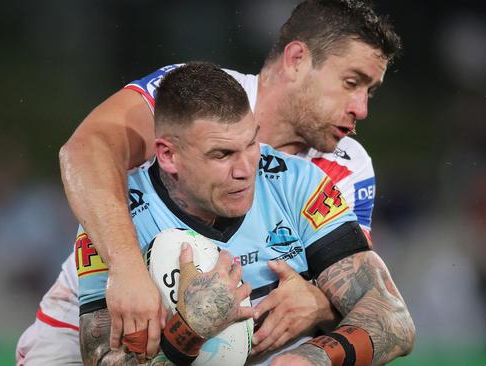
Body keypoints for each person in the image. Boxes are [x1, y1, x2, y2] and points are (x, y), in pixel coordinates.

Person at [16, 0, 406, 364]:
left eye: (370, 91)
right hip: (90, 327)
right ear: (298, 60)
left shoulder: (347, 166)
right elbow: (86, 150)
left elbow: (357, 294)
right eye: (352, 82)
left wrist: (320, 304)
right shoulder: (191, 95)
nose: (362, 108)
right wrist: (128, 270)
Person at [77, 62, 412, 366]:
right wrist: (188, 331)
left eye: (251, 143)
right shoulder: (119, 223)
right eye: (222, 155)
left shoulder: (296, 183)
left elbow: (393, 318)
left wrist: (312, 358)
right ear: (168, 155)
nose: (245, 170)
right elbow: (103, 360)